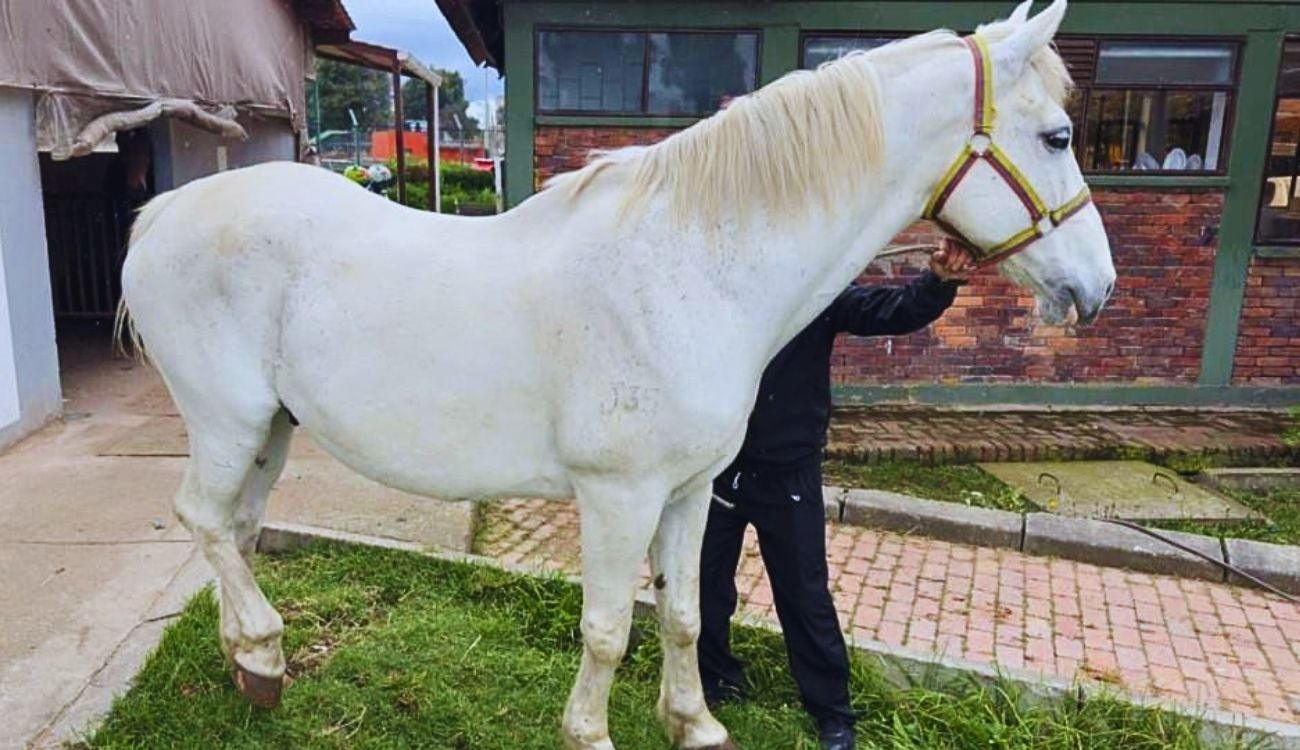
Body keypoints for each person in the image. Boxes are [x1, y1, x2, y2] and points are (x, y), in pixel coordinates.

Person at [698, 239, 974, 750]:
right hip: (724, 466)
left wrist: (937, 281)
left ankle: (833, 713)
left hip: (790, 473)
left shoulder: (817, 294)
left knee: (804, 595)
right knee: (706, 582)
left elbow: (887, 310)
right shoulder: (724, 295)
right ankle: (716, 680)